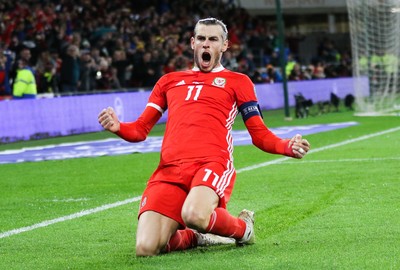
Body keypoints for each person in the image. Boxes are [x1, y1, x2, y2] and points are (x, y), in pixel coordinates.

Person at [98, 18, 310, 257]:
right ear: (192, 43)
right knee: (146, 248)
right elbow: (140, 130)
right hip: (169, 170)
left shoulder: (239, 82)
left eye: (213, 39)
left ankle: (243, 229)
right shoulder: (168, 81)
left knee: (194, 214)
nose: (206, 45)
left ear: (224, 45)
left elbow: (259, 135)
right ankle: (197, 237)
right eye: (201, 39)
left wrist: (286, 146)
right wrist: (118, 127)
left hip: (211, 164)